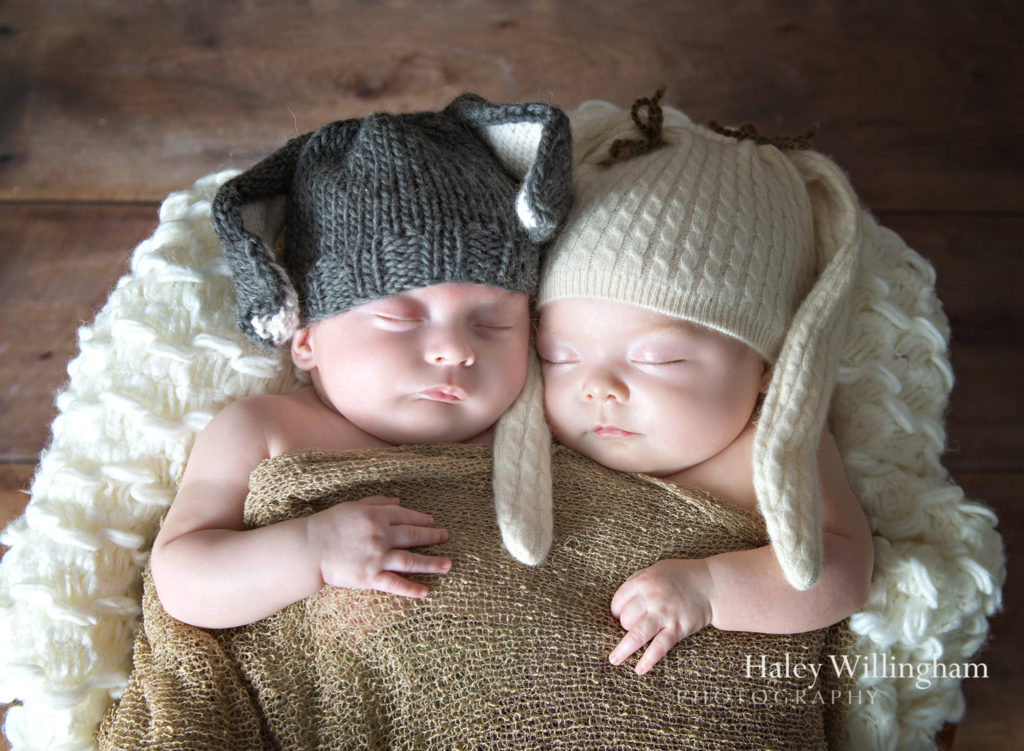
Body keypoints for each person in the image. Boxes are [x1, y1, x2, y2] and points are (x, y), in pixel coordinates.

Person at [148, 93, 572, 629]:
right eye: (402, 319)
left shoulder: (538, 425)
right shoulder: (265, 430)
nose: (458, 350)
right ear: (305, 339)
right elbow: (182, 581)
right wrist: (312, 549)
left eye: (492, 325)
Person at [535, 91, 875, 675]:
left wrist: (711, 588)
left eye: (660, 359)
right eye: (558, 357)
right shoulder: (535, 436)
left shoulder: (770, 452)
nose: (597, 387)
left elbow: (843, 571)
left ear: (768, 364)